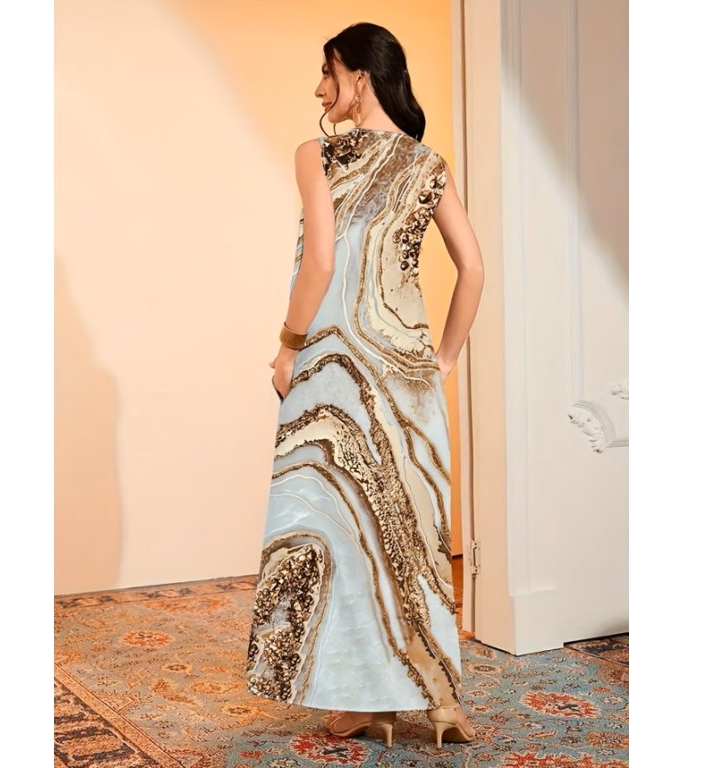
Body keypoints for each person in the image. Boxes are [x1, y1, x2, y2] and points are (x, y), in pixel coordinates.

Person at [243, 22, 485, 749]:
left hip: (333, 364)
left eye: (329, 72)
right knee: (409, 533)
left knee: (336, 528)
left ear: (360, 76)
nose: (320, 89)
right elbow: (474, 269)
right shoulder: (428, 163)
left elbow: (319, 261)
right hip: (407, 371)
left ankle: (361, 700)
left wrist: (287, 347)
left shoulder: (316, 154)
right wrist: (444, 360)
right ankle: (436, 698)